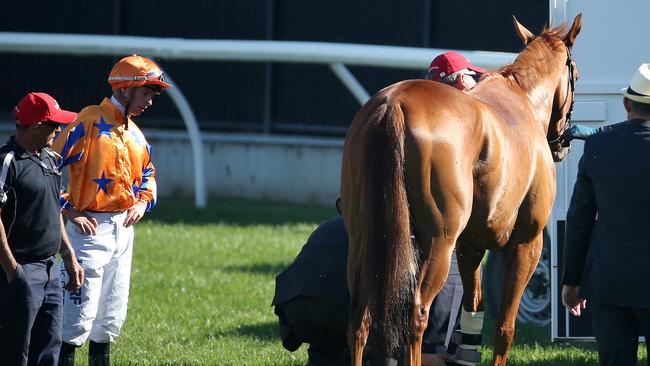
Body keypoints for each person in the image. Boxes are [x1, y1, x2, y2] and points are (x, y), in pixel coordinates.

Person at [53, 54, 169, 366]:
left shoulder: (136, 134)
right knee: (77, 316)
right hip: (89, 230)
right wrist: (69, 209)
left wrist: (143, 202)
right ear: (124, 89)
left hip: (124, 233)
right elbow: (47, 166)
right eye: (146, 93)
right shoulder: (88, 120)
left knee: (110, 316)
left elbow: (149, 175)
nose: (150, 102)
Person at [272, 200, 460, 366]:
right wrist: (426, 358)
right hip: (344, 303)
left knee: (332, 348)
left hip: (295, 304)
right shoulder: (423, 244)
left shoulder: (337, 223)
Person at [562, 63, 650, 366]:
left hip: (610, 282)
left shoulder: (599, 143)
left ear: (627, 102)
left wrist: (572, 281)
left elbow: (579, 220)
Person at [0, 92, 84, 366]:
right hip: (20, 271)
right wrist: (13, 270)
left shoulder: (50, 159)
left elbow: (53, 209)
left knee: (49, 351)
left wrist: (68, 253)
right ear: (36, 126)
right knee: (16, 352)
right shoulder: (8, 161)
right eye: (53, 125)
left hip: (50, 271)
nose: (58, 130)